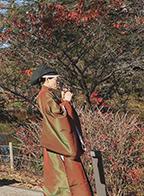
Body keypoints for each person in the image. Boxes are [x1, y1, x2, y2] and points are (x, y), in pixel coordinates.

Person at [32, 65, 92, 196]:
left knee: (64, 175)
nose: (58, 82)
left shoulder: (47, 94)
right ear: (47, 79)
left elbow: (57, 112)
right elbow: (58, 116)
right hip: (58, 145)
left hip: (56, 144)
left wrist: (63, 101)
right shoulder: (45, 95)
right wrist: (66, 101)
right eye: (56, 79)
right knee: (64, 176)